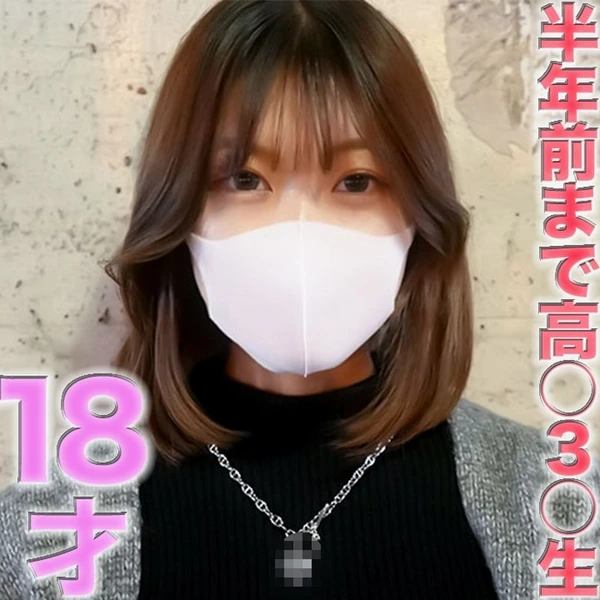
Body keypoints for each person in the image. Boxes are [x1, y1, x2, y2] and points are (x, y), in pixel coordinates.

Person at [1, 1, 599, 599]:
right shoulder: (45, 536)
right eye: (245, 179)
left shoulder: (558, 505)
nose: (299, 231)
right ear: (178, 211)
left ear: (419, 216)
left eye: (356, 181)